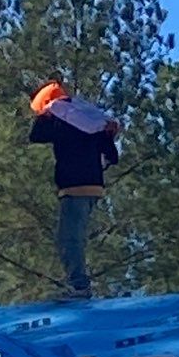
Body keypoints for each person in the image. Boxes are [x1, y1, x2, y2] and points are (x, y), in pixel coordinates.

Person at [28, 82, 120, 301]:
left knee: (69, 239)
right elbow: (112, 155)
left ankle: (79, 286)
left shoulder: (62, 121)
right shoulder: (91, 120)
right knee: (75, 237)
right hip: (93, 186)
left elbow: (36, 135)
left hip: (74, 186)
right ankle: (78, 284)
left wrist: (45, 116)